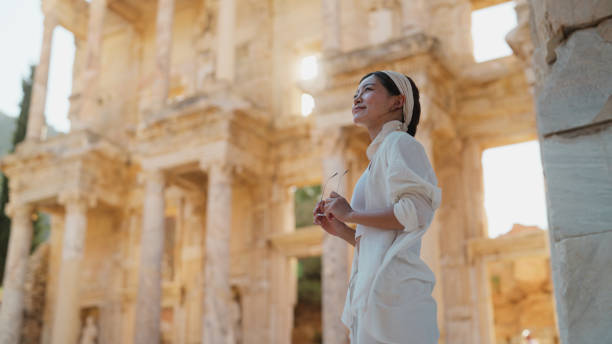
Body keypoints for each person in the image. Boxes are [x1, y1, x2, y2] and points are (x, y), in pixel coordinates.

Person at [313, 71, 441, 343]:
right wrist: (342, 229)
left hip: (396, 297)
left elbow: (415, 212)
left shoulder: (401, 143)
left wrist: (351, 214)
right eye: (355, 94)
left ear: (397, 101)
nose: (358, 97)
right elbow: (379, 242)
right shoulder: (379, 157)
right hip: (375, 294)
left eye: (368, 89)